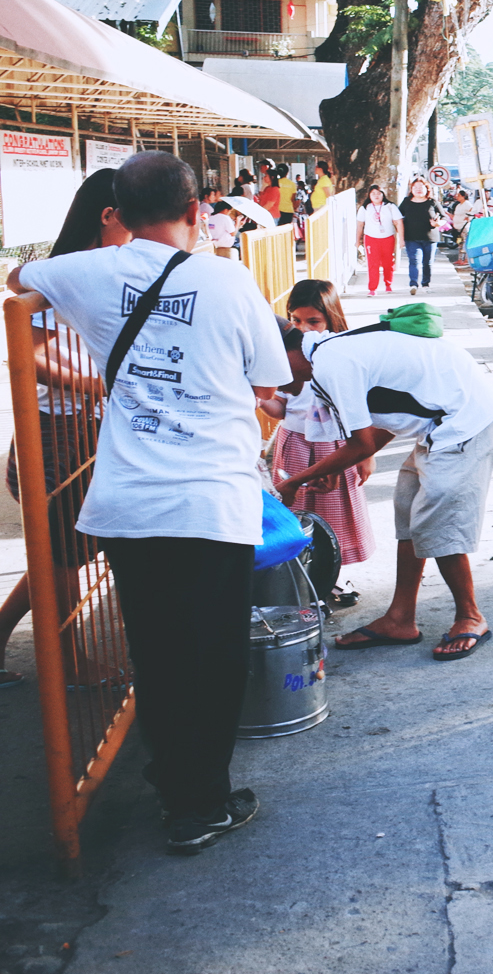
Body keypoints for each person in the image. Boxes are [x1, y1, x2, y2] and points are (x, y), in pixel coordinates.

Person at [7, 150, 290, 854]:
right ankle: (202, 804)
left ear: (118, 215)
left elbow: (19, 277)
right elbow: (269, 378)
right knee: (214, 653)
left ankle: (175, 786)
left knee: (158, 653)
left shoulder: (86, 272)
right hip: (211, 503)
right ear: (197, 210)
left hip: (129, 506)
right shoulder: (228, 280)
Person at [273, 305, 493, 661]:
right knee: (409, 511)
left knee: (436, 516)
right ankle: (400, 619)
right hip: (440, 425)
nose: (271, 382)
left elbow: (361, 444)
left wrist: (295, 483)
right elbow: (384, 421)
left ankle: (470, 616)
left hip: (466, 420)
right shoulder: (329, 355)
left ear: (283, 356)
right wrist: (331, 468)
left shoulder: (332, 363)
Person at [0, 169, 129, 691]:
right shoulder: (64, 271)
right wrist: (97, 385)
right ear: (107, 216)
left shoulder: (108, 266)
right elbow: (28, 352)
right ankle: (69, 662)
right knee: (64, 554)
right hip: (54, 435)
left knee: (64, 551)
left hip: (83, 431)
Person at [260, 281, 372, 579]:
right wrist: (260, 396)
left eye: (313, 321)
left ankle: (333, 575)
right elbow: (280, 408)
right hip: (294, 444)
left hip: (337, 447)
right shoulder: (286, 356)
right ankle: (302, 575)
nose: (304, 329)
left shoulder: (341, 354)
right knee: (297, 510)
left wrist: (366, 454)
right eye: (296, 320)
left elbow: (363, 406)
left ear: (332, 319)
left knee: (335, 513)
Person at [398, 178, 444, 295]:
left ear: (427, 189)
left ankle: (425, 284)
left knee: (427, 262)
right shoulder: (406, 202)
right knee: (414, 261)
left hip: (430, 238)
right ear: (411, 189)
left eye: (421, 187)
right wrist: (400, 238)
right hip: (411, 238)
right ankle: (413, 284)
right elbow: (398, 218)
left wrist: (438, 223)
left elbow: (444, 217)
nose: (418, 190)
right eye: (415, 187)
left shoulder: (432, 202)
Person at [357, 186, 403, 294]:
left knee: (388, 262)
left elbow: (399, 222)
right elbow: (359, 225)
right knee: (373, 263)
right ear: (369, 195)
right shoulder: (365, 208)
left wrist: (402, 239)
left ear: (383, 194)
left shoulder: (390, 206)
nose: (376, 196)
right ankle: (372, 288)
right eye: (373, 193)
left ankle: (388, 284)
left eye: (379, 193)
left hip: (387, 238)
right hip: (371, 239)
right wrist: (357, 240)